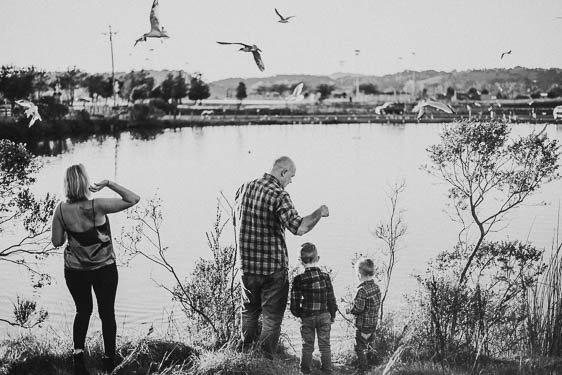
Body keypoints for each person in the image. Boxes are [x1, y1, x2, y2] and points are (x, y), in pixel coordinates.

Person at [235, 156, 329, 355]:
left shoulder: (244, 188)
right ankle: (265, 360)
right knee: (271, 319)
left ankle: (246, 356)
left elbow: (237, 222)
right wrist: (319, 212)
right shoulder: (278, 195)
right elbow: (300, 228)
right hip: (272, 270)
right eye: (291, 177)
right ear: (283, 172)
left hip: (246, 267)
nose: (290, 182)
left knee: (248, 312)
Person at [51, 164, 140, 375]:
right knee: (106, 313)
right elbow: (133, 199)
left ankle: (78, 357)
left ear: (66, 184)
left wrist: (71, 232)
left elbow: (56, 242)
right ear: (84, 181)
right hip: (104, 269)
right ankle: (109, 360)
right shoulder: (97, 205)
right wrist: (108, 183)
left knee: (83, 311)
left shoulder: (60, 209)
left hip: (75, 271)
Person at [290, 243, 337, 374]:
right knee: (325, 345)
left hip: (307, 317)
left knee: (307, 346)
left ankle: (305, 371)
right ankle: (327, 371)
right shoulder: (325, 277)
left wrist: (300, 313)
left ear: (300, 261)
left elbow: (294, 304)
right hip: (324, 315)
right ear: (318, 258)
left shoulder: (298, 279)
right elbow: (331, 298)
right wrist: (332, 314)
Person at [347, 258, 381, 374]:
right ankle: (372, 365)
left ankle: (363, 369)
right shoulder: (376, 287)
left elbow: (359, 308)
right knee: (370, 345)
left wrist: (350, 310)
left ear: (359, 274)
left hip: (362, 325)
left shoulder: (362, 290)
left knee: (359, 347)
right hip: (373, 324)